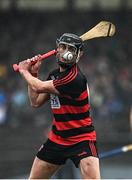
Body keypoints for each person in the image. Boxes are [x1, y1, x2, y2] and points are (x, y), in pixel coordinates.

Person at [18, 33, 100, 179]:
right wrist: (34, 72)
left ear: (79, 55)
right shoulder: (54, 75)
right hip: (57, 139)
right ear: (57, 49)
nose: (66, 51)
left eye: (71, 49)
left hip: (82, 139)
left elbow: (38, 87)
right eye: (63, 46)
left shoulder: (75, 78)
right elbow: (35, 102)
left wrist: (24, 71)